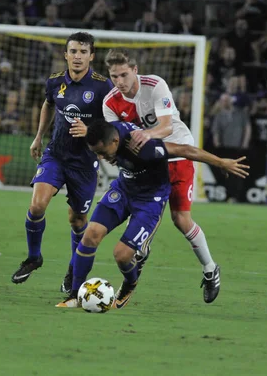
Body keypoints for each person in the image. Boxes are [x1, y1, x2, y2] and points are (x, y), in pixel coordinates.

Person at [56, 120, 249, 308]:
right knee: (91, 235)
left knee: (122, 255)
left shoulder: (143, 146)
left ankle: (130, 283)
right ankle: (75, 295)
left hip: (149, 201)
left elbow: (185, 150)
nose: (100, 157)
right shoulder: (108, 131)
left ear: (115, 142)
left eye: (102, 153)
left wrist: (221, 163)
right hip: (123, 190)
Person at [99, 48, 223, 303]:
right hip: (147, 160)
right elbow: (115, 139)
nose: (120, 82)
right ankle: (140, 250)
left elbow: (166, 126)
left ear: (135, 71)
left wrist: (148, 134)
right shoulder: (110, 103)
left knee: (180, 219)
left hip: (176, 155)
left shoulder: (155, 86)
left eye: (124, 74)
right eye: (114, 76)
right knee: (142, 205)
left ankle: (210, 270)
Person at [10, 32, 113, 290]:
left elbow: (113, 123)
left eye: (83, 52)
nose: (77, 57)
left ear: (92, 56)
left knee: (77, 220)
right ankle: (34, 257)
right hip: (55, 154)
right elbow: (48, 105)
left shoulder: (103, 86)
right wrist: (38, 137)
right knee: (37, 206)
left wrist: (91, 133)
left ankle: (73, 268)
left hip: (84, 162)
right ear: (66, 54)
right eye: (73, 52)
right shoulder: (55, 81)